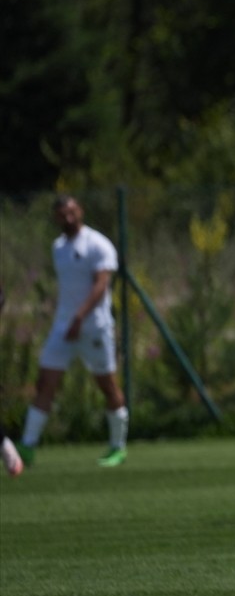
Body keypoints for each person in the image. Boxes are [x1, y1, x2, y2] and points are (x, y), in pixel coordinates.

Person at [17, 194, 128, 467]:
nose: (68, 218)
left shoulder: (98, 244)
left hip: (93, 328)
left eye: (72, 212)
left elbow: (101, 286)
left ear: (80, 211)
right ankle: (28, 446)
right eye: (62, 214)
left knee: (107, 385)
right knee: (45, 382)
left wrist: (79, 318)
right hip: (63, 328)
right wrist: (65, 318)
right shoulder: (58, 247)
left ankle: (118, 446)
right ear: (56, 217)